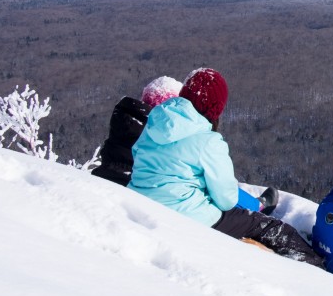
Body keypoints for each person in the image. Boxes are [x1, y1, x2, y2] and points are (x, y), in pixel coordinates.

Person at [128, 68, 319, 265]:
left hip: (141, 204)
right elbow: (227, 200)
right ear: (215, 107)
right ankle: (317, 269)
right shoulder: (209, 141)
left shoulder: (153, 123)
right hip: (188, 216)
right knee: (272, 229)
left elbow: (137, 156)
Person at [92, 75, 275, 214]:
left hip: (109, 183)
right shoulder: (162, 136)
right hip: (150, 198)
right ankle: (255, 206)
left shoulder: (126, 124)